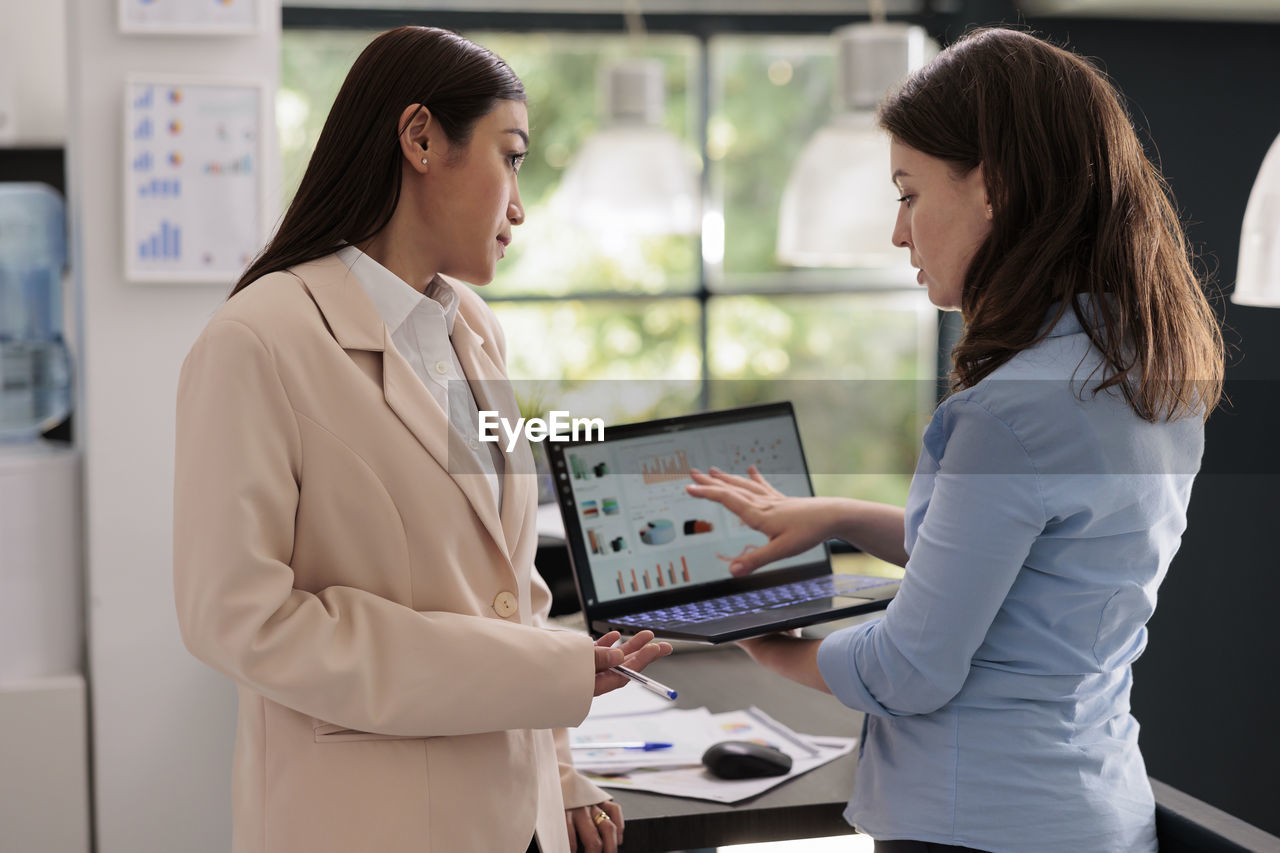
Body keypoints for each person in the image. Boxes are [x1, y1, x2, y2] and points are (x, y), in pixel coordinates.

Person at [686, 27, 1223, 853]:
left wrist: (765, 642)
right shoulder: (1145, 372)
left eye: (908, 193)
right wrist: (837, 517)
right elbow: (1026, 569)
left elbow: (909, 667)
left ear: (994, 189)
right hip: (1097, 810)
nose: (899, 233)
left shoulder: (1008, 413)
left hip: (977, 825)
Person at [173, 26, 671, 853]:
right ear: (421, 139)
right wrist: (547, 674)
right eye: (510, 157)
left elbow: (510, 586)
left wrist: (560, 773)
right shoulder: (258, 341)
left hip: (514, 821)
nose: (519, 204)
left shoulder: (472, 330)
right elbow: (238, 619)